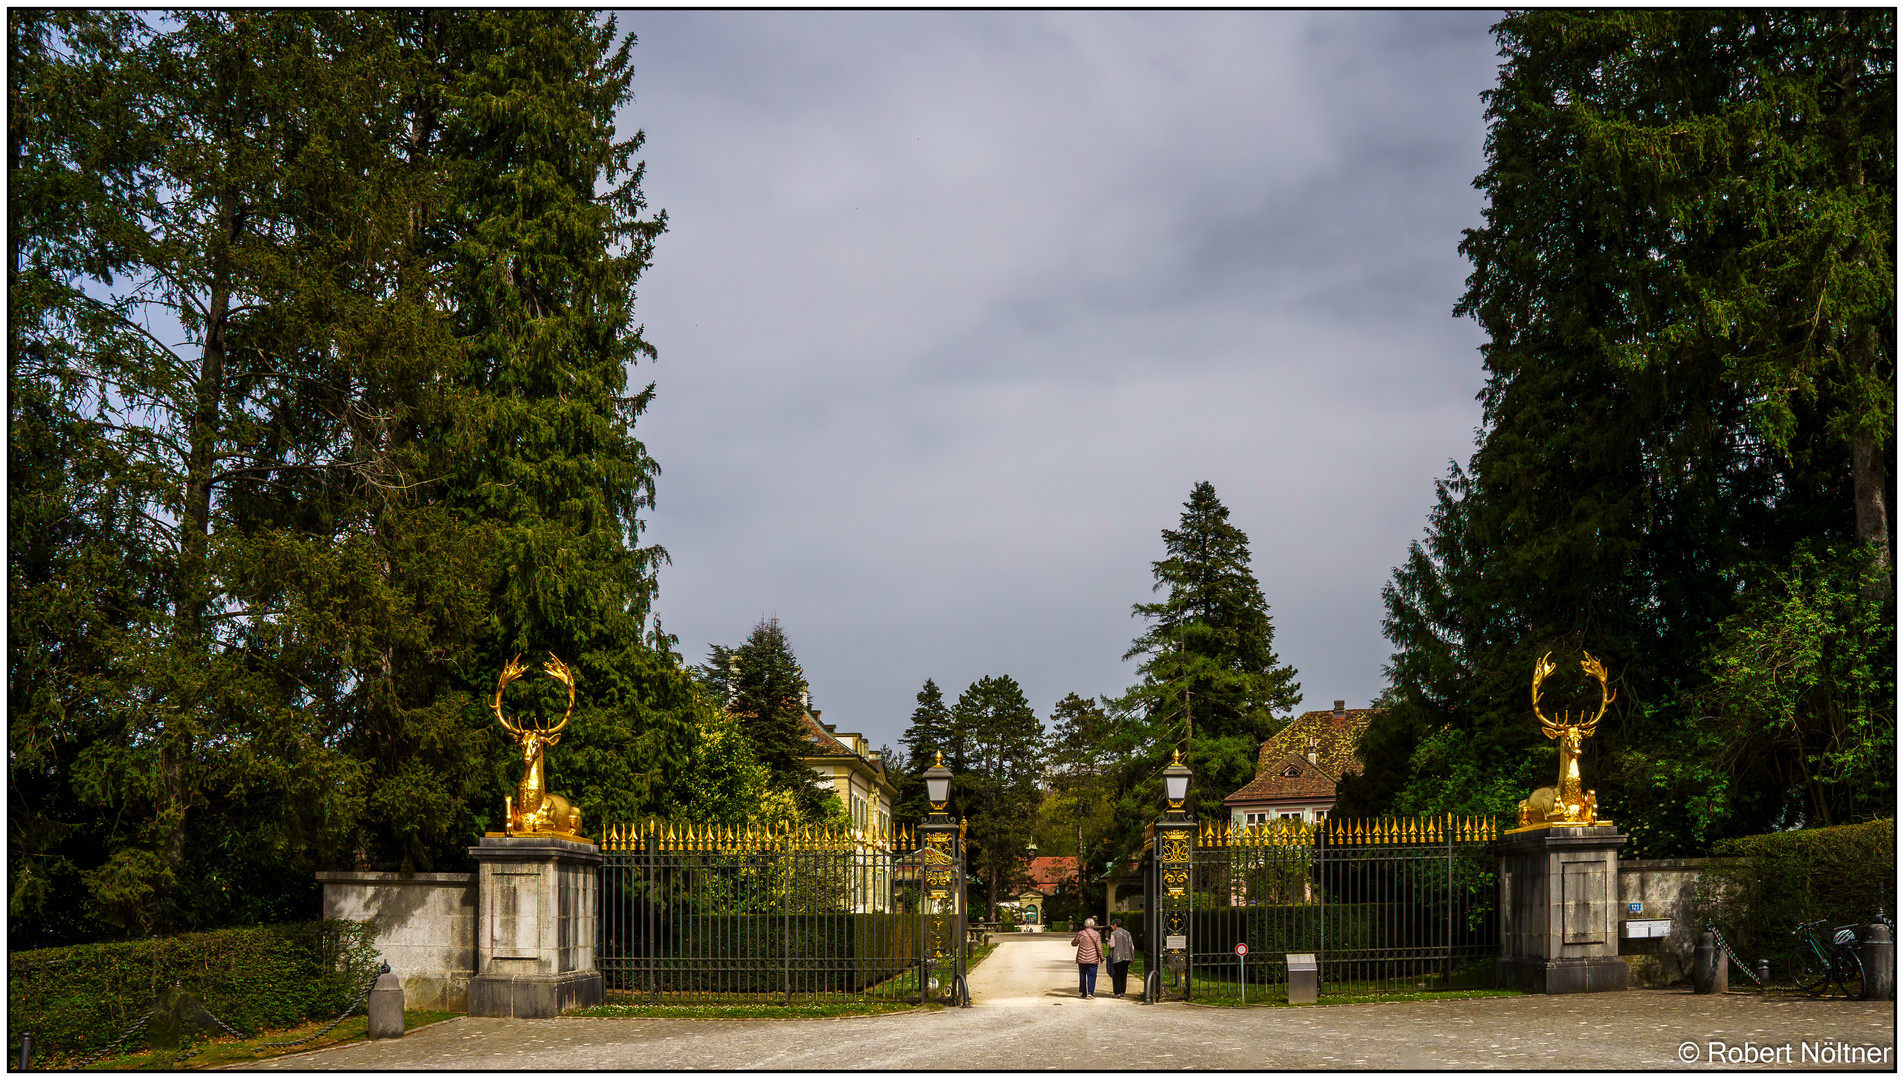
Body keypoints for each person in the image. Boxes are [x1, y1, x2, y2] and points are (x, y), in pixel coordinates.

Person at [1071, 916, 1103, 998]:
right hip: (1093, 959)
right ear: (1093, 925)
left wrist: (1074, 941)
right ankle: (1090, 992)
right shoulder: (1097, 934)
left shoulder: (1081, 933)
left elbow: (1074, 943)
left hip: (1082, 959)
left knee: (1082, 975)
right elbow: (1099, 947)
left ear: (1085, 925)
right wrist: (1101, 957)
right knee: (1092, 975)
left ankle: (1083, 992)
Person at [1106, 917, 1135, 997]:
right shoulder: (1127, 933)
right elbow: (1131, 946)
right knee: (1124, 975)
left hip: (1117, 957)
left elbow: (1112, 945)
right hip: (1127, 957)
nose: (1112, 927)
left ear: (1115, 925)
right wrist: (1132, 957)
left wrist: (1108, 943)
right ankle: (1123, 991)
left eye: (1112, 925)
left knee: (1116, 975)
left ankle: (1117, 992)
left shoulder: (1113, 934)